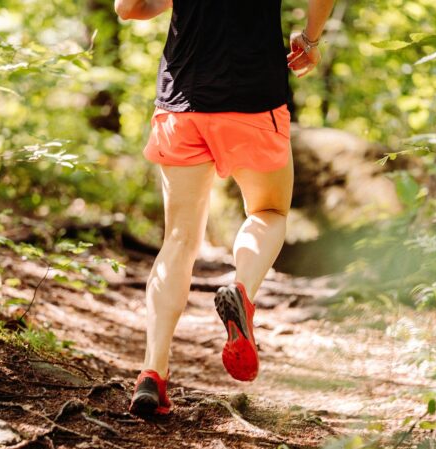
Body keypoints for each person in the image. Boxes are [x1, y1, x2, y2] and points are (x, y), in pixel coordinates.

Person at [114, 0, 334, 416]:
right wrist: (309, 39)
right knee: (269, 212)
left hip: (182, 99)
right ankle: (242, 291)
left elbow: (129, 7)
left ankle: (152, 374)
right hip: (255, 98)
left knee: (178, 239)